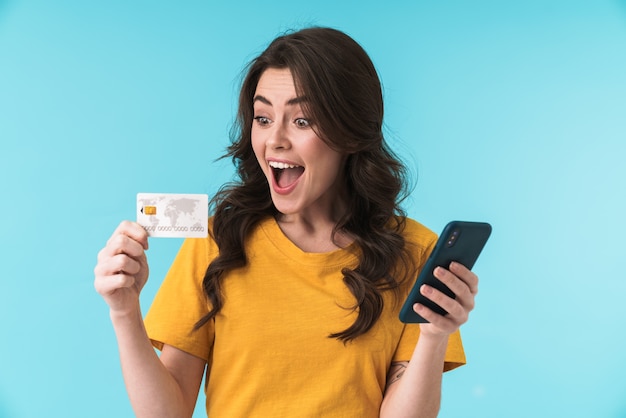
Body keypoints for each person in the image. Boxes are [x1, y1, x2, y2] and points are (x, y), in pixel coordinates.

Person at [94, 27, 479, 418]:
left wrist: (433, 336)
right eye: (262, 117)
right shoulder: (217, 241)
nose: (274, 139)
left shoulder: (414, 252)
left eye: (301, 121)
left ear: (351, 131)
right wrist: (124, 312)